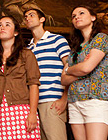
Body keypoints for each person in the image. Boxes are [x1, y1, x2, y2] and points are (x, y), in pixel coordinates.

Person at [0, 16, 41, 140]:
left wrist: (32, 113)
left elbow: (33, 84)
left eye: (7, 24)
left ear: (16, 32)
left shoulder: (26, 55)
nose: (2, 27)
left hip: (21, 110)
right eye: (0, 25)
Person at [61, 6, 108, 140]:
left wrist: (69, 70)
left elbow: (86, 68)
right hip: (74, 102)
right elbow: (63, 80)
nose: (77, 17)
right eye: (73, 16)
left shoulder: (101, 39)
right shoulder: (75, 47)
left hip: (96, 100)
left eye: (81, 13)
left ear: (93, 17)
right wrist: (81, 69)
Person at [25, 8, 71, 140]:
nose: (28, 18)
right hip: (32, 105)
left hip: (52, 103)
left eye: (31, 15)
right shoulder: (28, 48)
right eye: (26, 16)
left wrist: (64, 99)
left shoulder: (57, 40)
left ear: (42, 19)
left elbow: (69, 68)